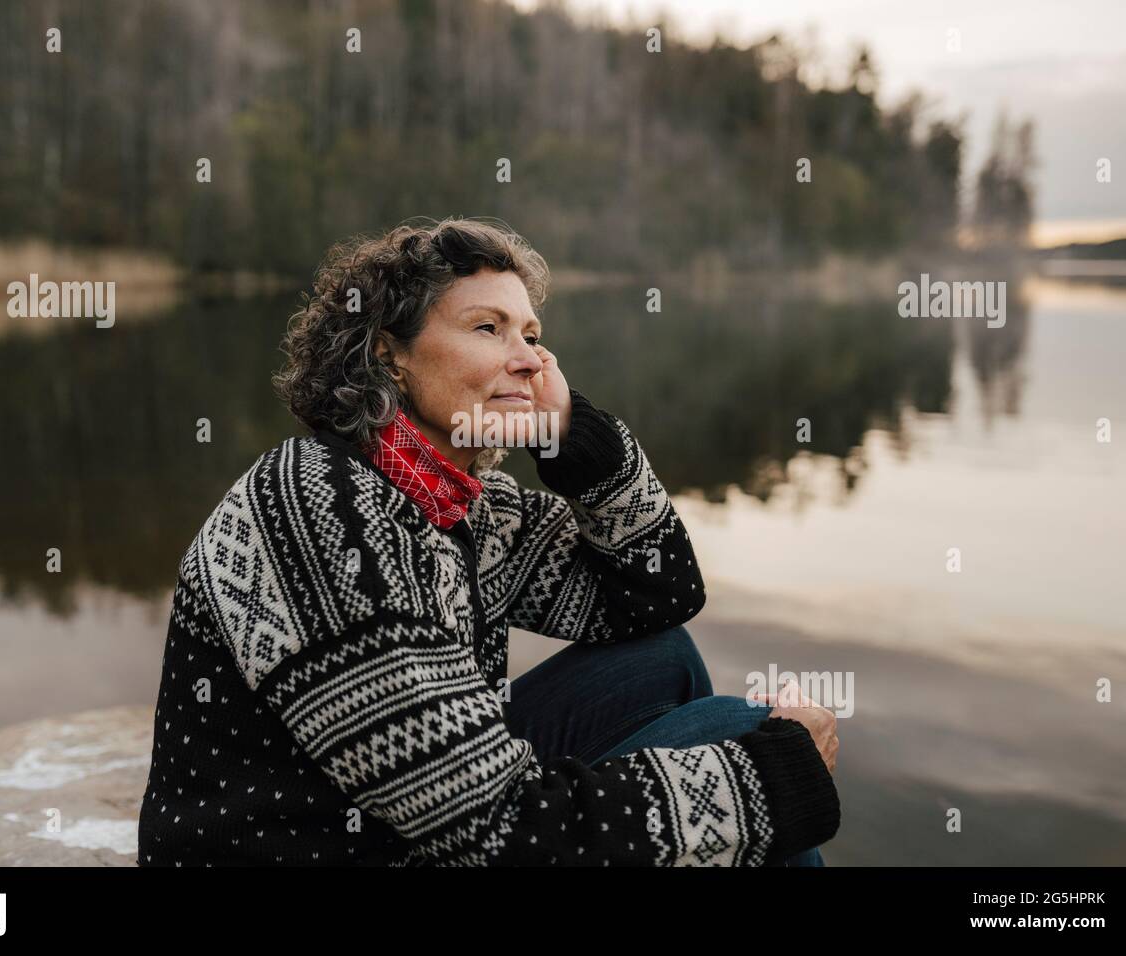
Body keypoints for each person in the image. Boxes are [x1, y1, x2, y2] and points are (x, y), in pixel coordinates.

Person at [137, 216, 840, 866]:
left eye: (531, 336)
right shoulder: (319, 511)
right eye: (488, 329)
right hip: (325, 850)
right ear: (390, 356)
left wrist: (573, 439)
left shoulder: (462, 501)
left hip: (395, 810)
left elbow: (659, 593)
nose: (532, 360)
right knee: (746, 744)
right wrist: (771, 781)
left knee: (661, 659)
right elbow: (490, 832)